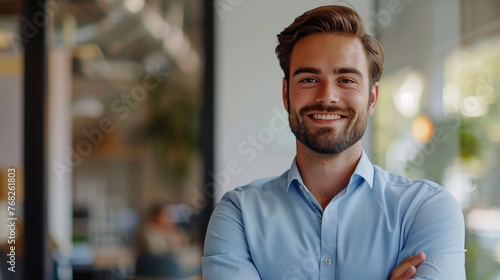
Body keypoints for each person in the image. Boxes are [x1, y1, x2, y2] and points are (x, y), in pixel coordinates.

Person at [202, 5, 465, 280]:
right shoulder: (239, 215)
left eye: (346, 80)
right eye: (309, 79)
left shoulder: (426, 209)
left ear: (372, 98)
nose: (327, 97)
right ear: (286, 94)